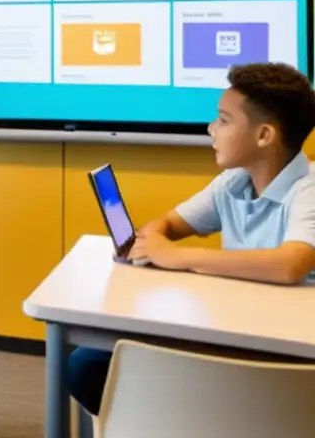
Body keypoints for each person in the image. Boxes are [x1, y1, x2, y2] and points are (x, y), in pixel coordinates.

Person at [68, 62, 315, 416]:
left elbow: (291, 264)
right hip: (237, 331)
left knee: (93, 367)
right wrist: (152, 241)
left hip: (287, 355)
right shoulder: (234, 182)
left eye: (224, 120)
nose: (211, 128)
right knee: (88, 361)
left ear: (264, 136)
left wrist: (178, 256)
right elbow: (167, 223)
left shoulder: (309, 188)